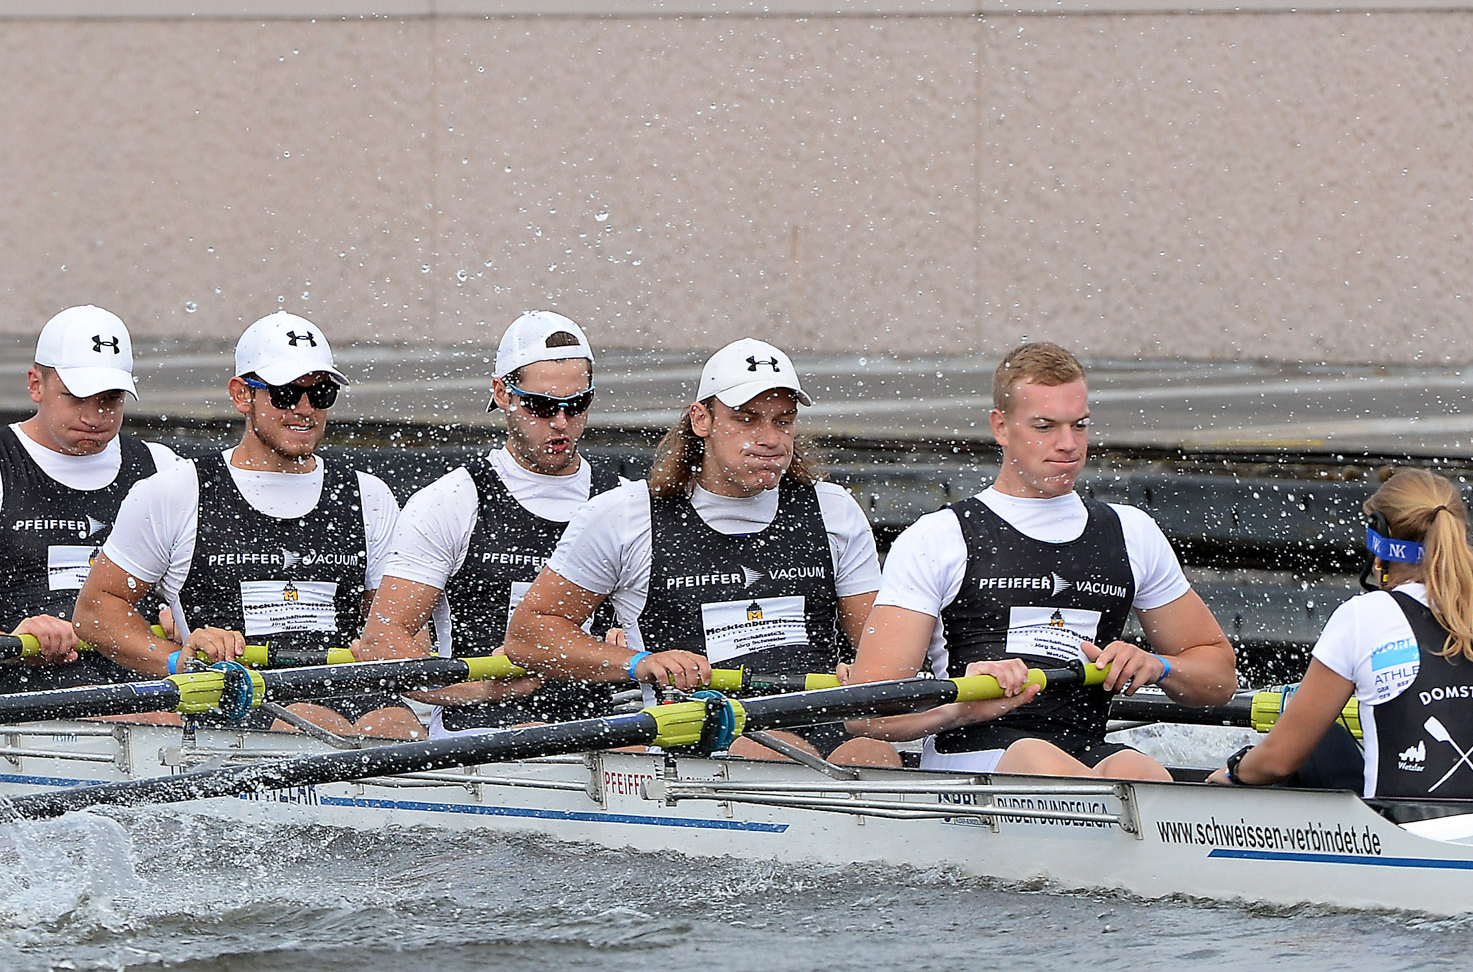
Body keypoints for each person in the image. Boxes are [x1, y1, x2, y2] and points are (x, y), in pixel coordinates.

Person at [849, 342, 1237, 779]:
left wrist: (1160, 666)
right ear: (1001, 427)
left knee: (1142, 771)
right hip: (973, 755)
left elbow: (1219, 678)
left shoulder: (1132, 533)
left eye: (1080, 425)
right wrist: (962, 710)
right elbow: (867, 714)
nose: (1068, 445)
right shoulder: (938, 538)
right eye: (1045, 426)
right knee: (1038, 758)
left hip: (1083, 748)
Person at [504, 337, 889, 765]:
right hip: (697, 727)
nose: (770, 439)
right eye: (746, 420)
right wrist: (638, 663)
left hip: (819, 717)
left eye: (784, 421)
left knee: (875, 756)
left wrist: (873, 669)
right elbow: (529, 635)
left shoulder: (833, 509)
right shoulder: (624, 516)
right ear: (701, 419)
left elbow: (878, 647)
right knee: (769, 754)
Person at [75, 311, 401, 736]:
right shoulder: (177, 491)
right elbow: (96, 612)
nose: (305, 410)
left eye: (321, 394)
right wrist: (178, 661)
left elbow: (395, 624)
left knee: (397, 725)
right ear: (242, 395)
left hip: (348, 688)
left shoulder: (370, 495)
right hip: (236, 693)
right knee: (315, 724)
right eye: (286, 394)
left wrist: (392, 647)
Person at [1213, 469, 1473, 815]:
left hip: (1398, 833)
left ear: (1379, 542)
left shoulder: (1363, 617)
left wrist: (1231, 775)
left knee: (1318, 734)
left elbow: (1278, 761)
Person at [0, 305, 186, 699]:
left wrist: (186, 618)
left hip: (150, 687)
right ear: (35, 385)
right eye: (77, 397)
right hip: (20, 697)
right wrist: (6, 644)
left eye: (110, 399)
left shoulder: (163, 469)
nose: (95, 416)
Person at [356, 311, 622, 738]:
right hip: (479, 734)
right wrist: (478, 691)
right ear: (502, 393)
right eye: (540, 404)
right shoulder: (451, 502)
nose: (559, 421)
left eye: (577, 404)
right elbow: (382, 639)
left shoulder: (622, 502)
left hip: (599, 729)